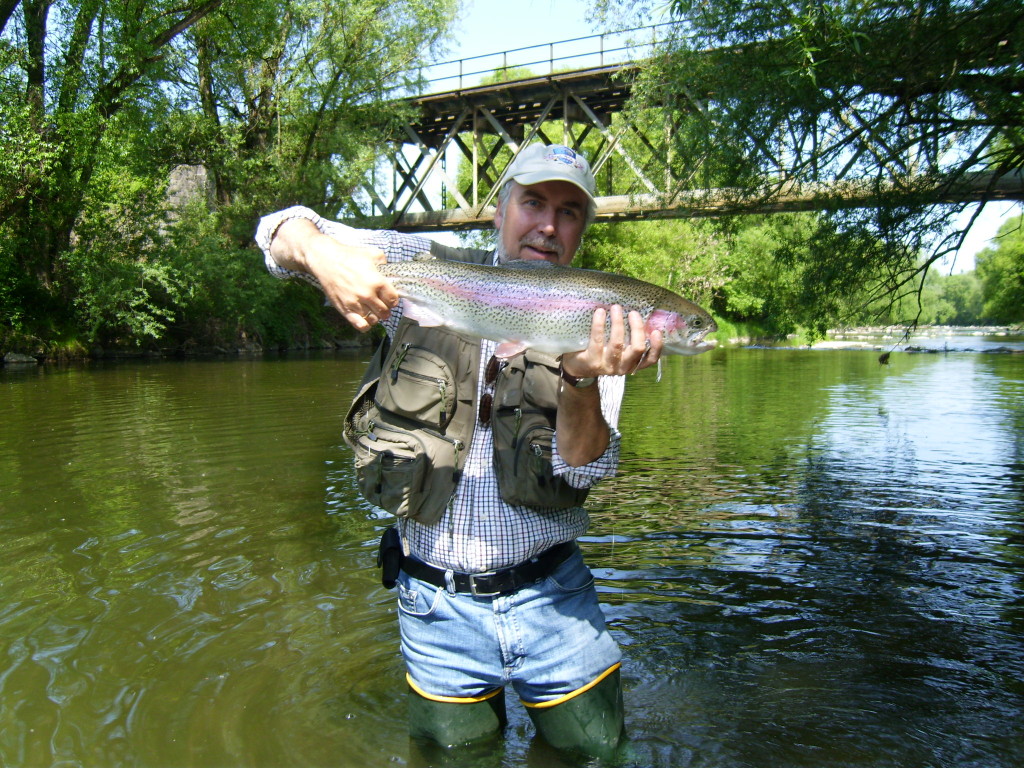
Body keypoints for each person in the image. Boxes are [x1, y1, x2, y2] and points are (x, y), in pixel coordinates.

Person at [255, 143, 663, 758]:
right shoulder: (420, 264)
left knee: (599, 756)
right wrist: (321, 257)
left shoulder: (602, 319)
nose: (549, 225)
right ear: (499, 210)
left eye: (570, 212)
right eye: (532, 202)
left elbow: (587, 469)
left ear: (582, 231)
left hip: (556, 603)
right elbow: (275, 232)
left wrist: (582, 379)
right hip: (434, 606)